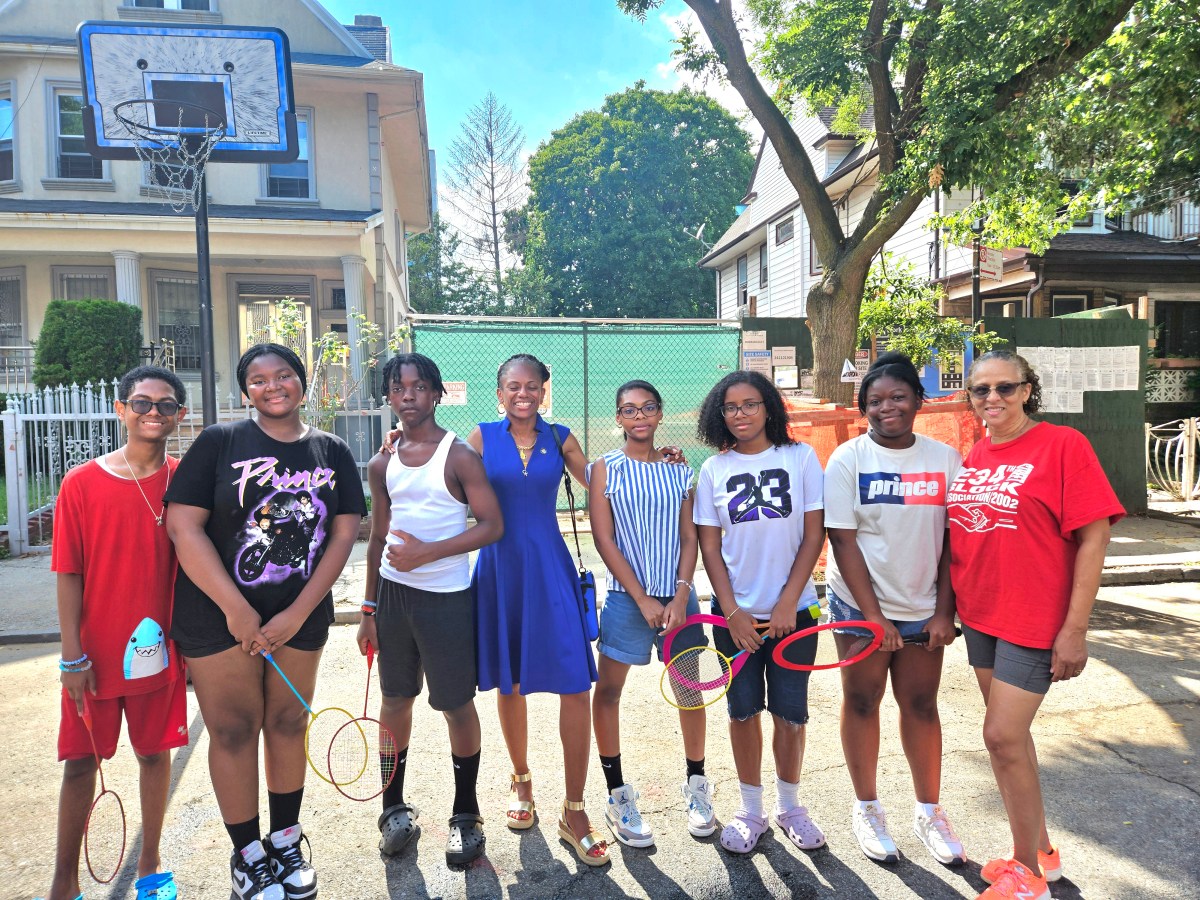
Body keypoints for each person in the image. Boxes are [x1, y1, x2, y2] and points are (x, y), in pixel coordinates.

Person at [166, 344, 365, 900]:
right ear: (245, 389)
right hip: (216, 617)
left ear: (302, 382)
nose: (272, 386)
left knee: (285, 726)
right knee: (231, 730)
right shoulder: (219, 443)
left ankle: (284, 841)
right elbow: (184, 528)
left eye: (283, 376)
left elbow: (343, 532)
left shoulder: (332, 449)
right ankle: (247, 855)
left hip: (298, 619)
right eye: (257, 379)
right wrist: (237, 608)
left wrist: (296, 612)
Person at [948, 350, 1124, 900]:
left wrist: (1075, 629)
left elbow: (1094, 538)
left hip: (1034, 619)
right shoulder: (976, 453)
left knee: (999, 736)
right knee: (1011, 741)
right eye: (981, 390)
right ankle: (1042, 853)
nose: (992, 398)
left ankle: (1027, 875)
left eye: (1005, 387)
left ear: (1027, 390)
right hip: (981, 615)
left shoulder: (1064, 445)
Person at [42, 366, 189, 900]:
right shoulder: (80, 483)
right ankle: (64, 881)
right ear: (120, 408)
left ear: (180, 415)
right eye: (142, 403)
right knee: (80, 764)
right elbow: (69, 573)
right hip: (94, 657)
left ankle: (150, 864)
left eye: (166, 405)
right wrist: (72, 658)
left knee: (153, 755)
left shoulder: (184, 483)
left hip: (158, 650)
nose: (154, 413)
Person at [357, 353, 503, 868]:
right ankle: (393, 809)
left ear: (437, 393)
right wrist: (369, 607)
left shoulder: (458, 455)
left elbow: (491, 525)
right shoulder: (382, 462)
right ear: (389, 397)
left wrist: (428, 552)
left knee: (456, 706)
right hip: (393, 601)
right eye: (398, 388)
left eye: (419, 387)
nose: (409, 396)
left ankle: (466, 815)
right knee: (395, 701)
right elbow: (377, 538)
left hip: (446, 599)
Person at [823, 352, 966, 865]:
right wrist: (873, 618)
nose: (887, 408)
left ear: (917, 401)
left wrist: (944, 613)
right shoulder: (847, 460)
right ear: (863, 408)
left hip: (924, 607)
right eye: (875, 400)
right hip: (860, 607)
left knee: (922, 705)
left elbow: (954, 542)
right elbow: (842, 542)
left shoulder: (945, 459)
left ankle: (929, 812)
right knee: (862, 702)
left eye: (898, 397)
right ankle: (867, 808)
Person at [467, 353, 609, 866]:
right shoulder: (481, 437)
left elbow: (601, 482)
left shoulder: (560, 437)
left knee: (576, 685)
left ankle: (574, 810)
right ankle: (521, 781)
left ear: (544, 390)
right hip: (500, 568)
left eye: (532, 386)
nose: (522, 394)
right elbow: (441, 475)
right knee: (512, 682)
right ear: (499, 392)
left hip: (549, 565)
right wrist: (400, 442)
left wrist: (653, 457)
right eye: (512, 386)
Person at [693, 370, 826, 856]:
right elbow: (710, 548)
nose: (740, 414)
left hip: (796, 616)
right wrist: (732, 613)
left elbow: (815, 535)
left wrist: (791, 600)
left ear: (769, 407)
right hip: (738, 622)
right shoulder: (714, 470)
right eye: (730, 407)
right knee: (743, 711)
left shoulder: (801, 457)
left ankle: (790, 807)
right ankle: (752, 811)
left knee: (790, 715)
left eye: (750, 404)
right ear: (719, 415)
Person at [588, 380, 715, 848]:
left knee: (690, 690)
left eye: (647, 408)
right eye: (628, 410)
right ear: (618, 418)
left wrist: (682, 594)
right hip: (627, 599)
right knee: (608, 692)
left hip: (680, 598)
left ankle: (698, 786)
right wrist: (642, 598)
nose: (639, 416)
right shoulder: (605, 468)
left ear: (660, 414)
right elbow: (605, 540)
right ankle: (617, 793)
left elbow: (689, 538)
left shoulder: (679, 470)